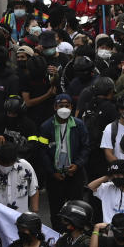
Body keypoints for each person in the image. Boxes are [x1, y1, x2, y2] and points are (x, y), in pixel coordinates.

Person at [41, 94, 90, 228]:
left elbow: (85, 148)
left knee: (76, 207)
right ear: (55, 107)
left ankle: (76, 234)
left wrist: (78, 165)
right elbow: (43, 152)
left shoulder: (79, 125)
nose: (64, 108)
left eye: (67, 106)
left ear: (71, 107)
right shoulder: (46, 127)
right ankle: (57, 236)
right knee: (56, 209)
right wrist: (52, 172)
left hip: (74, 174)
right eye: (61, 106)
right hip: (55, 176)